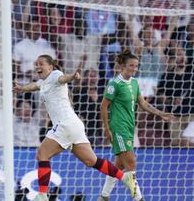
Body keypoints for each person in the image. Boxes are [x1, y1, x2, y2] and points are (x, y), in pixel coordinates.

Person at [13, 54, 136, 201]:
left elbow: (64, 78)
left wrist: (73, 76)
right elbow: (34, 85)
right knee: (92, 161)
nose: (37, 66)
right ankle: (125, 178)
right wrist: (22, 89)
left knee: (42, 154)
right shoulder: (43, 82)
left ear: (50, 67)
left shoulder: (55, 75)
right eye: (36, 64)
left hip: (65, 125)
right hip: (74, 125)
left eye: (41, 64)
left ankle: (43, 195)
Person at [98, 49, 174, 201]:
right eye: (131, 65)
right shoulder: (115, 84)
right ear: (122, 66)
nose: (134, 68)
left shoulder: (134, 83)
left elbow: (143, 104)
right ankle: (138, 198)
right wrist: (107, 129)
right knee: (131, 162)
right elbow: (103, 106)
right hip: (118, 128)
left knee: (119, 165)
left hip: (129, 127)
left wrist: (161, 114)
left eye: (136, 66)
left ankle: (104, 196)